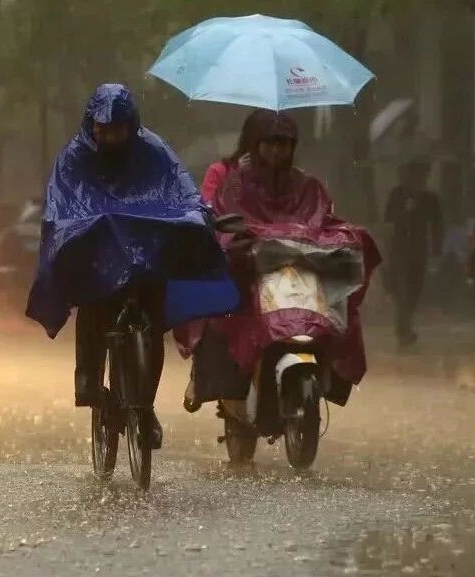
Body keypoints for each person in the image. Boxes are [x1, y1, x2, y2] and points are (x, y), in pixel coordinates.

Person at [26, 84, 231, 449]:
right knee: (93, 307)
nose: (110, 136)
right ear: (92, 126)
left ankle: (144, 405)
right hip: (99, 260)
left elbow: (182, 190)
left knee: (152, 330)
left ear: (131, 126)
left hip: (145, 259)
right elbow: (60, 204)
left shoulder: (153, 150)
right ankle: (90, 386)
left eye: (118, 129)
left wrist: (197, 215)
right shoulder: (74, 156)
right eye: (103, 129)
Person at [180, 109, 380, 412]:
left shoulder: (306, 185)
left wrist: (342, 238)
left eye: (284, 143)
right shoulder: (229, 178)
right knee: (221, 308)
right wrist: (237, 230)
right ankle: (213, 375)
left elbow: (322, 220)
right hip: (250, 270)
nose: (276, 150)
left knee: (340, 307)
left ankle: (328, 372)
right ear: (255, 141)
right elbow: (217, 216)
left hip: (296, 269)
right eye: (270, 142)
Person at [384, 159, 443, 350]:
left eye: (424, 175)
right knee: (401, 291)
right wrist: (404, 211)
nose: (421, 179)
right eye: (417, 174)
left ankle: (405, 324)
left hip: (419, 250)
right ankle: (404, 331)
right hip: (399, 250)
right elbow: (389, 219)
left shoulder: (430, 198)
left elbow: (437, 225)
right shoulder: (398, 194)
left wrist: (436, 250)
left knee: (414, 291)